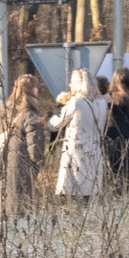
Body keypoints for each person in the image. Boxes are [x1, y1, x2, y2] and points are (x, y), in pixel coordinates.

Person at [0, 73, 49, 221]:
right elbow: (35, 148)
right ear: (32, 90)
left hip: (0, 167)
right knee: (18, 214)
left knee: (1, 213)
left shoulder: (3, 111)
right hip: (20, 170)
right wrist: (37, 166)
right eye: (36, 88)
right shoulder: (30, 115)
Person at [48, 67, 109, 199]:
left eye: (72, 82)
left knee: (70, 196)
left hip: (76, 155)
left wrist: (55, 113)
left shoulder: (75, 102)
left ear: (78, 84)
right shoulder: (102, 103)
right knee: (90, 195)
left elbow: (56, 125)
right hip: (94, 153)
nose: (69, 85)